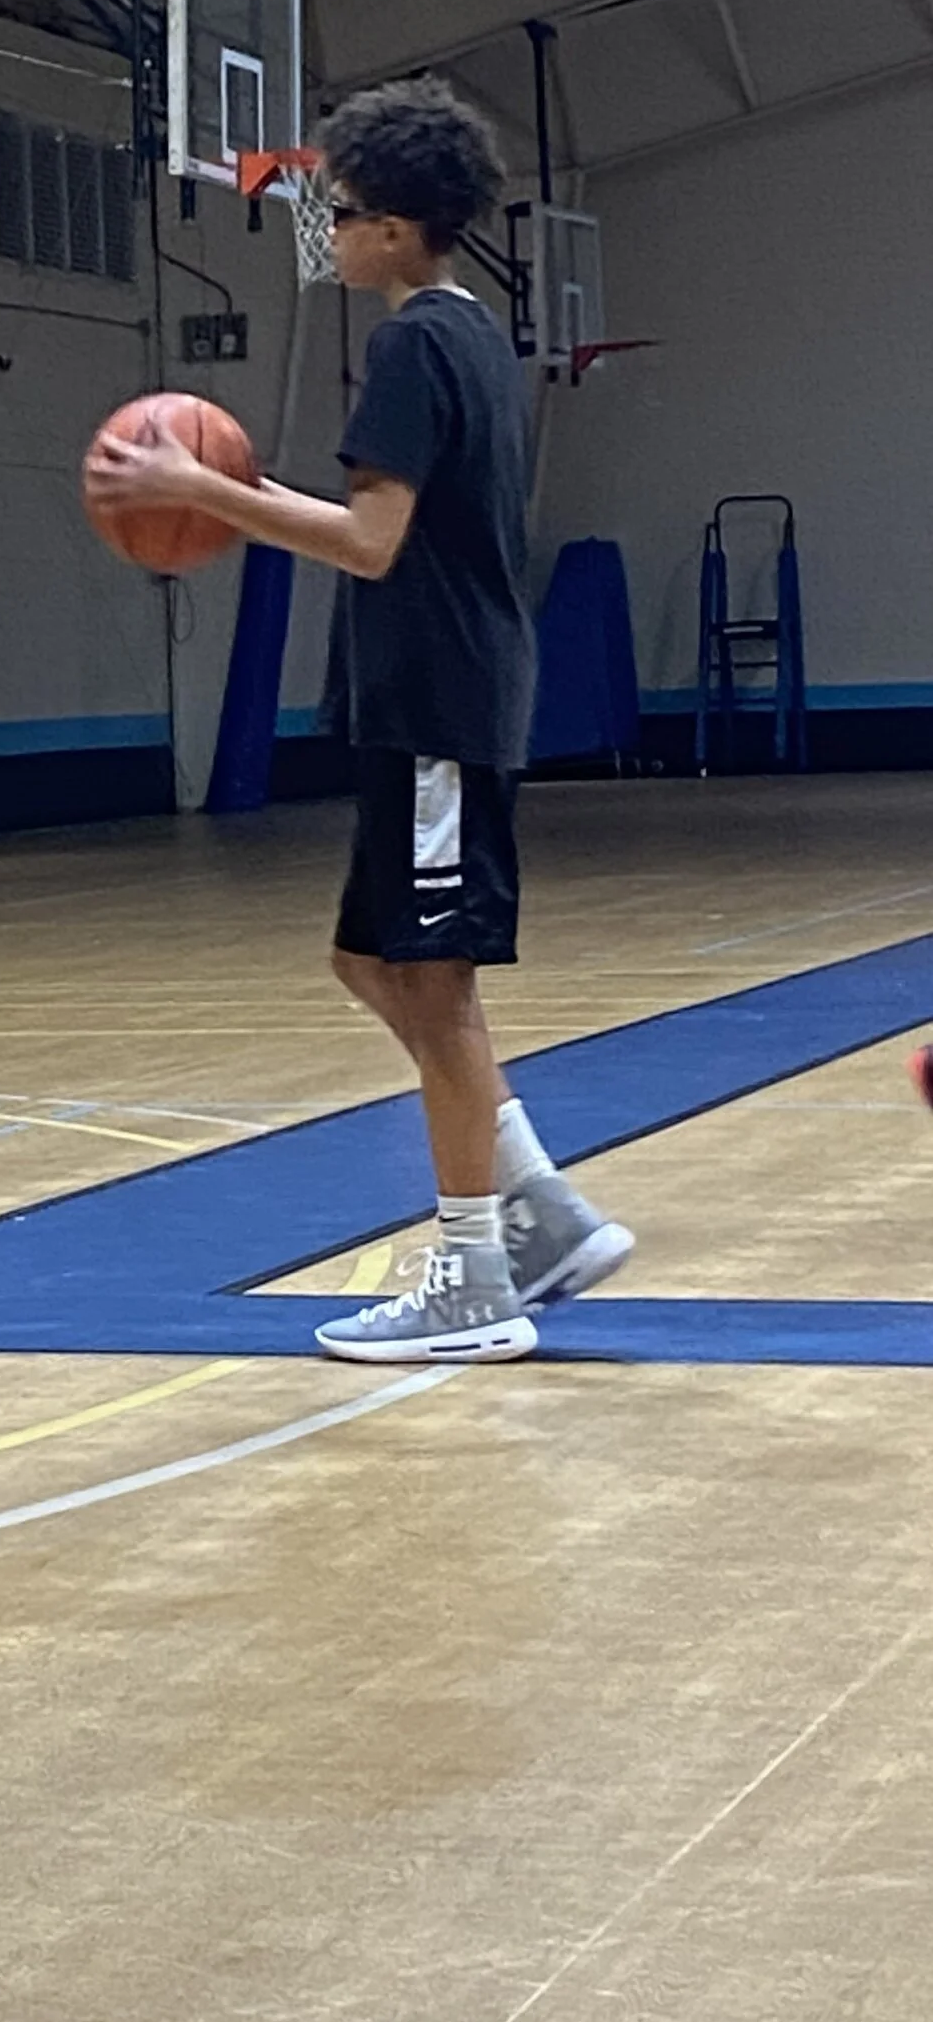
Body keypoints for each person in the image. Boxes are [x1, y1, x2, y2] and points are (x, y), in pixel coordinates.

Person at [83, 78, 632, 1362]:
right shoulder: (473, 337)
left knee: (433, 991)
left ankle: (473, 1277)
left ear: (394, 227)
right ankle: (539, 1209)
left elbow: (371, 544)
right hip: (437, 696)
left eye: (337, 209)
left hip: (440, 697)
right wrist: (224, 486)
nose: (324, 227)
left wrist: (199, 489)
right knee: (367, 960)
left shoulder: (410, 345)